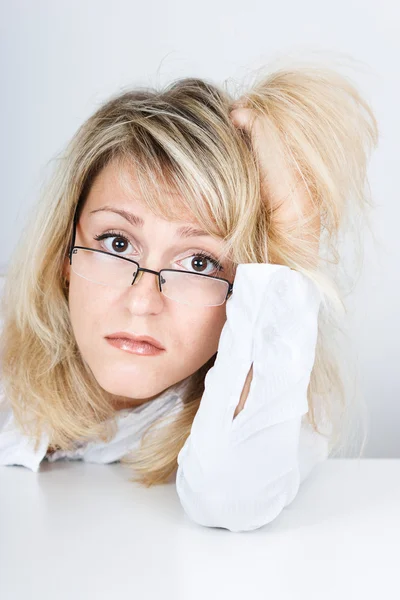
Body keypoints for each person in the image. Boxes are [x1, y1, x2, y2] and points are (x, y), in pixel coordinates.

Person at [0, 56, 378, 532]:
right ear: (64, 258)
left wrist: (295, 236)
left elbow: (230, 499)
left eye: (199, 263)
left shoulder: (271, 394)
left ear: (247, 291)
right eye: (117, 243)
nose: (141, 302)